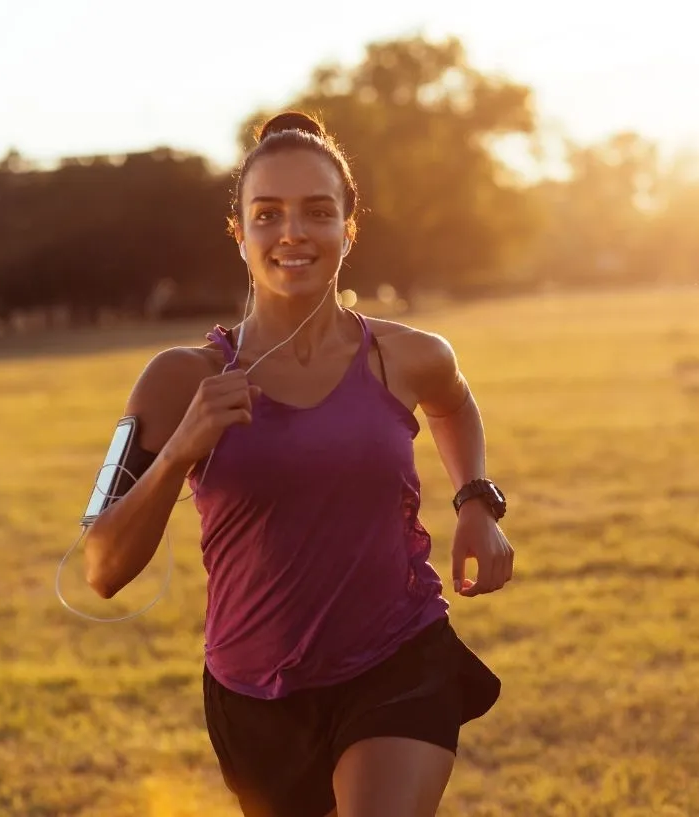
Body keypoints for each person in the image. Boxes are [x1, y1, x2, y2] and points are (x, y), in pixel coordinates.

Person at [81, 111, 514, 817]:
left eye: (318, 211)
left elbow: (454, 402)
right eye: (268, 214)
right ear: (240, 233)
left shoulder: (405, 355)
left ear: (349, 227)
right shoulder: (176, 377)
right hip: (254, 697)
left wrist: (475, 501)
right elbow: (100, 568)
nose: (293, 233)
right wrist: (181, 450)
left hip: (398, 658)